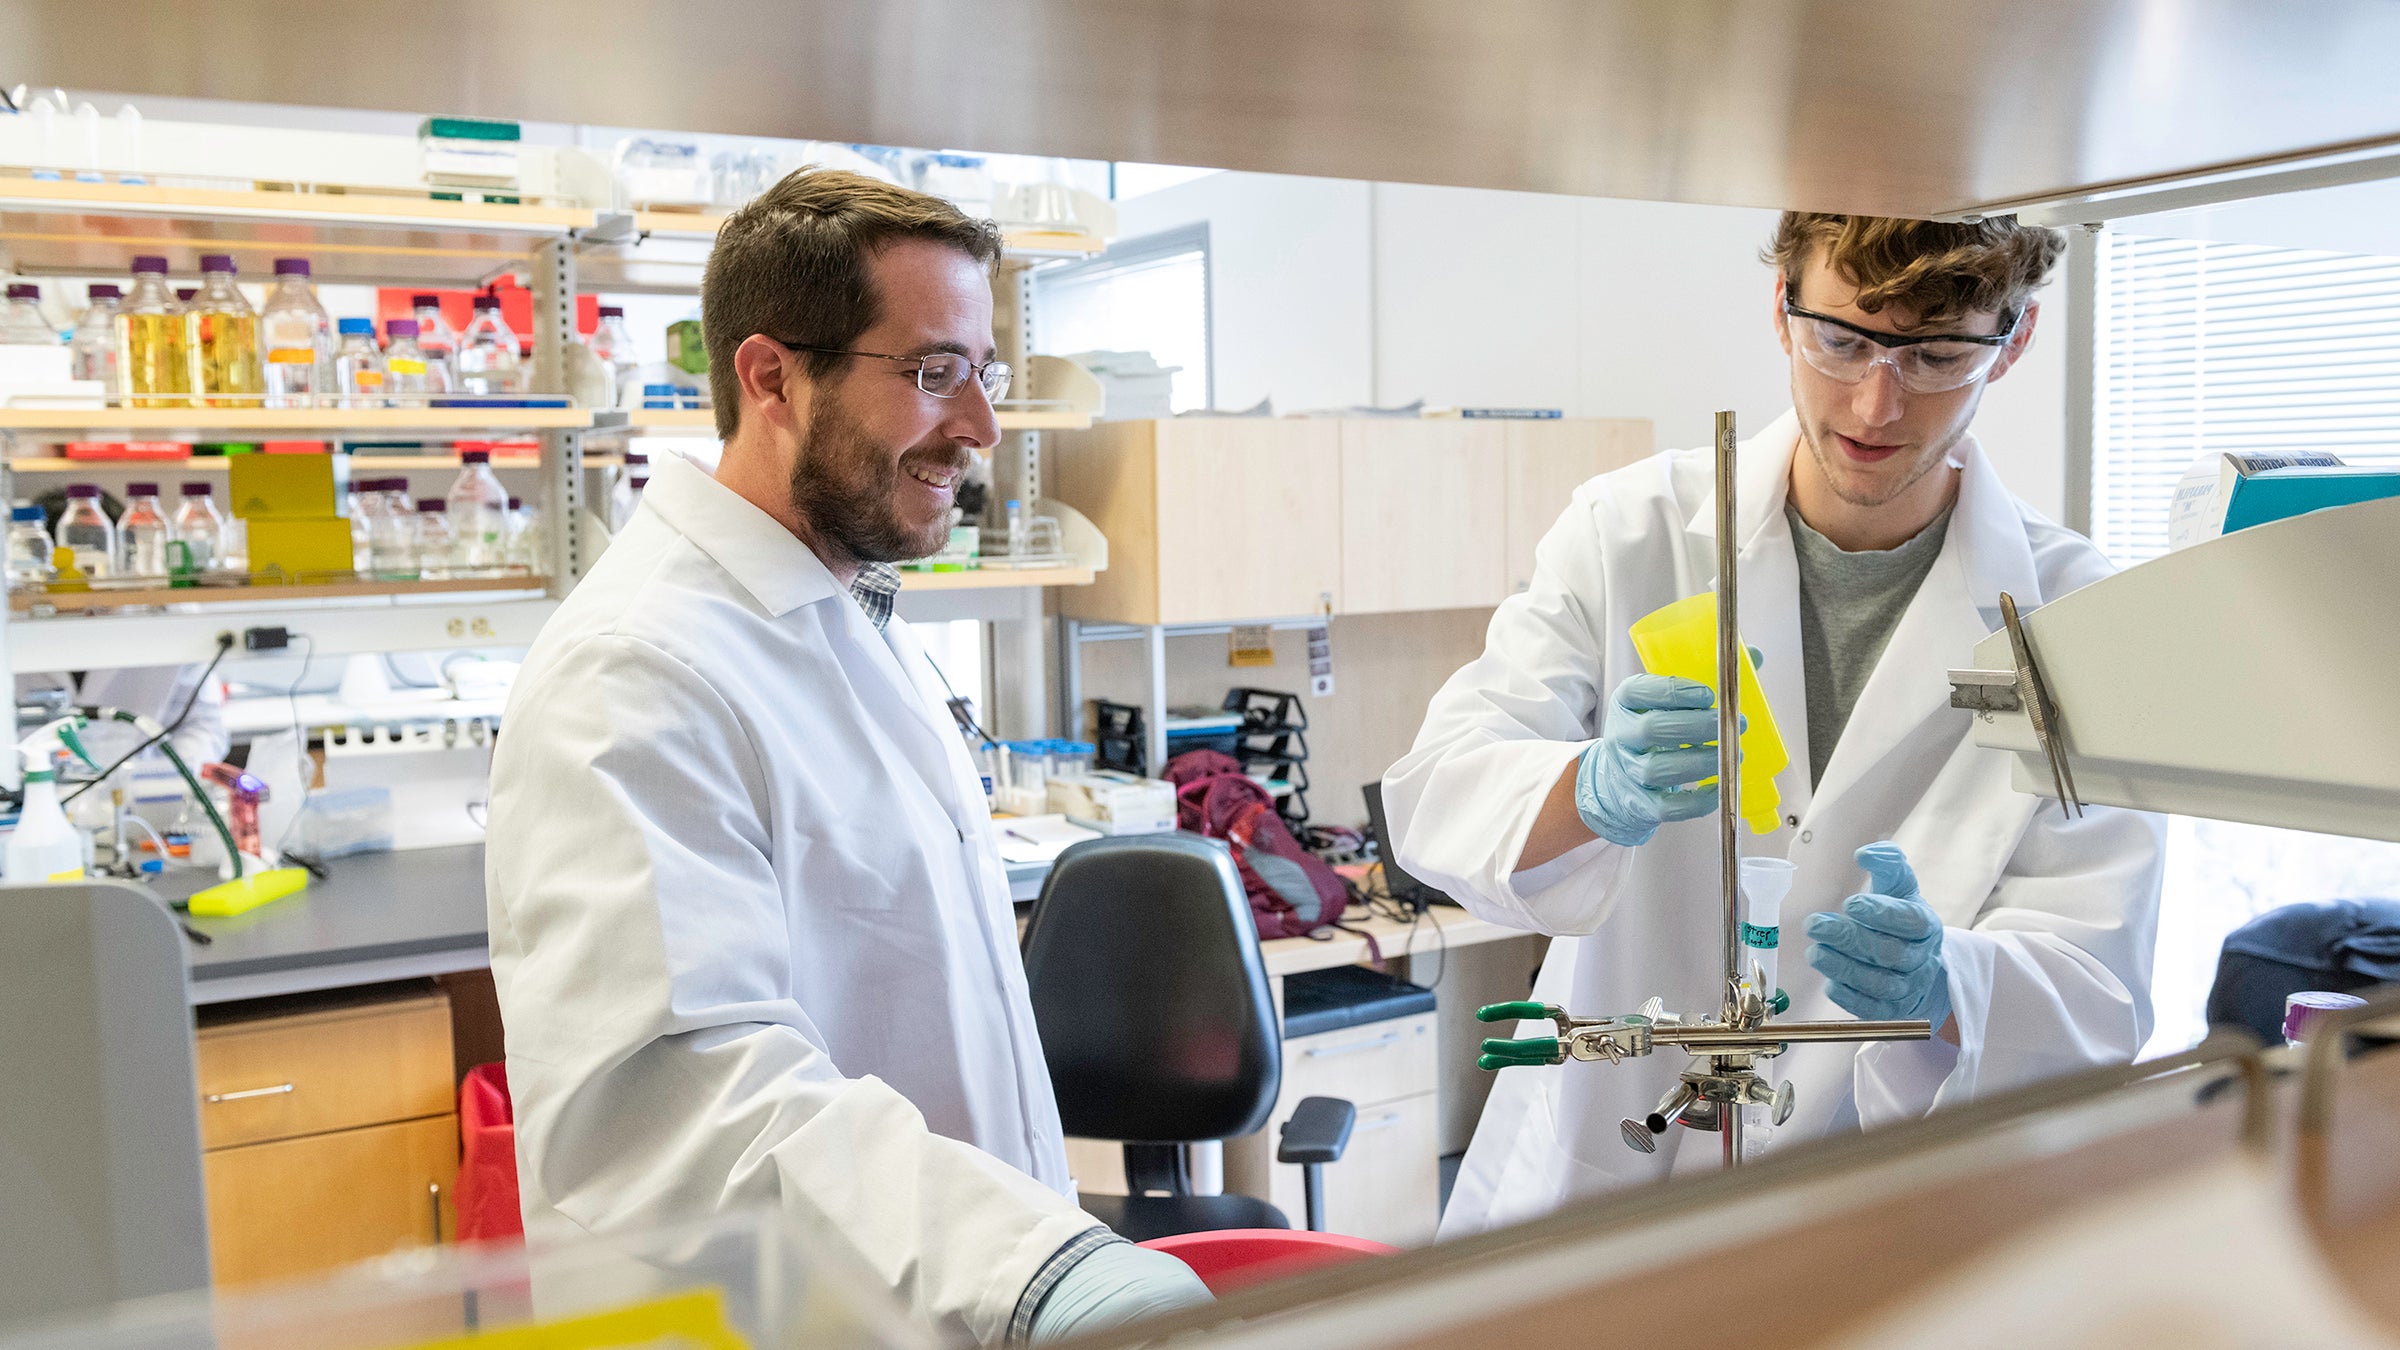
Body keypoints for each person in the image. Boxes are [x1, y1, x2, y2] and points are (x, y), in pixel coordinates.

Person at [486, 170, 1207, 1345]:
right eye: (932, 373)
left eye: (987, 373)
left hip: (935, 1300)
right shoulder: (637, 671)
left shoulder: (840, 612)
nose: (980, 429)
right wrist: (1027, 1267)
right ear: (770, 377)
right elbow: (684, 1105)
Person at [1386, 213, 2165, 1235]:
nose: (1876, 403)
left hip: (1871, 1200)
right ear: (1781, 308)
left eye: (1937, 354)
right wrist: (1589, 788)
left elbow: (2098, 986)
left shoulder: (2080, 619)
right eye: (1842, 339)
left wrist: (1944, 984)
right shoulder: (1630, 532)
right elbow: (1438, 788)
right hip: (1608, 1162)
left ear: (2014, 340)